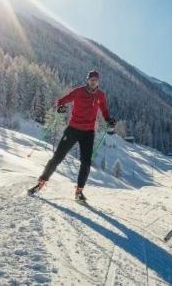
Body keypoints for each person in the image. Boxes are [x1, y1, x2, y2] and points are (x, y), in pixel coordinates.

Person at [29, 70, 116, 201]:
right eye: (91, 79)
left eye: (95, 80)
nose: (93, 82)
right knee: (58, 157)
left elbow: (104, 109)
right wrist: (60, 107)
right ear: (87, 80)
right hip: (73, 130)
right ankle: (41, 183)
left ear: (98, 82)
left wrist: (109, 119)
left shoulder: (100, 95)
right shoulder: (78, 92)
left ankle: (79, 192)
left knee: (86, 163)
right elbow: (62, 101)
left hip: (88, 133)